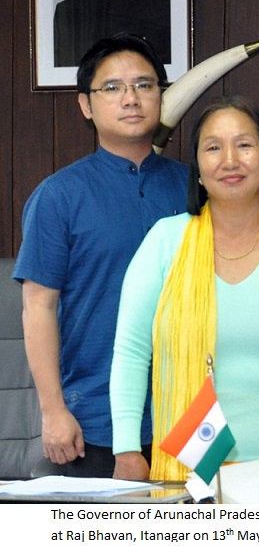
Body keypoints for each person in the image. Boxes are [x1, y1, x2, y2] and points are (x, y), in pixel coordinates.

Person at [13, 33, 187, 478]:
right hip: (94, 418)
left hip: (189, 413)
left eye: (144, 85)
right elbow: (38, 306)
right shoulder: (58, 196)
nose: (130, 98)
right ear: (86, 105)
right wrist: (53, 412)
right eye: (112, 88)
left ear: (161, 97)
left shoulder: (194, 187)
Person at [109, 97, 259, 481]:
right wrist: (127, 449)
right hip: (186, 471)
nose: (229, 160)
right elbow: (131, 351)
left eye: (245, 145)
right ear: (197, 169)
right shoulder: (165, 240)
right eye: (213, 147)